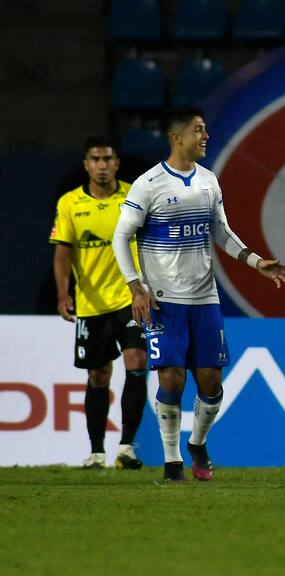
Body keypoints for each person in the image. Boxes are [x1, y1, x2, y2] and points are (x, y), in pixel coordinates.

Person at [112, 107, 285, 482]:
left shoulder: (209, 181)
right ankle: (172, 459)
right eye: (199, 130)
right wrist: (136, 286)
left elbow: (221, 232)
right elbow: (120, 236)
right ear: (177, 138)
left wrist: (256, 262)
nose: (206, 136)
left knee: (211, 382)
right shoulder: (148, 184)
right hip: (164, 299)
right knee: (172, 380)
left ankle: (197, 441)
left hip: (204, 298)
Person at [50, 136, 147, 470]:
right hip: (91, 303)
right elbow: (62, 255)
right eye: (96, 159)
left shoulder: (134, 196)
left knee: (137, 362)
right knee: (98, 375)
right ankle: (96, 452)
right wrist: (63, 293)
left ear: (117, 163)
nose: (103, 165)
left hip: (130, 297)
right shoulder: (70, 204)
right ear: (86, 164)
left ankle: (126, 448)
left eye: (108, 159)